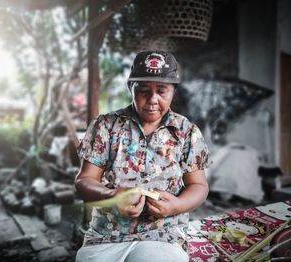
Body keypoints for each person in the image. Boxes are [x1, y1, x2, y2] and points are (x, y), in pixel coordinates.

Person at [75, 50, 210, 262]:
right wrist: (113, 196)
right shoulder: (106, 126)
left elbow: (199, 187)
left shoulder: (187, 132)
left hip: (163, 234)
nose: (152, 99)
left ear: (173, 91)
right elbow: (84, 181)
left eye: (162, 91)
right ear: (131, 88)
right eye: (144, 90)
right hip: (107, 234)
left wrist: (176, 205)